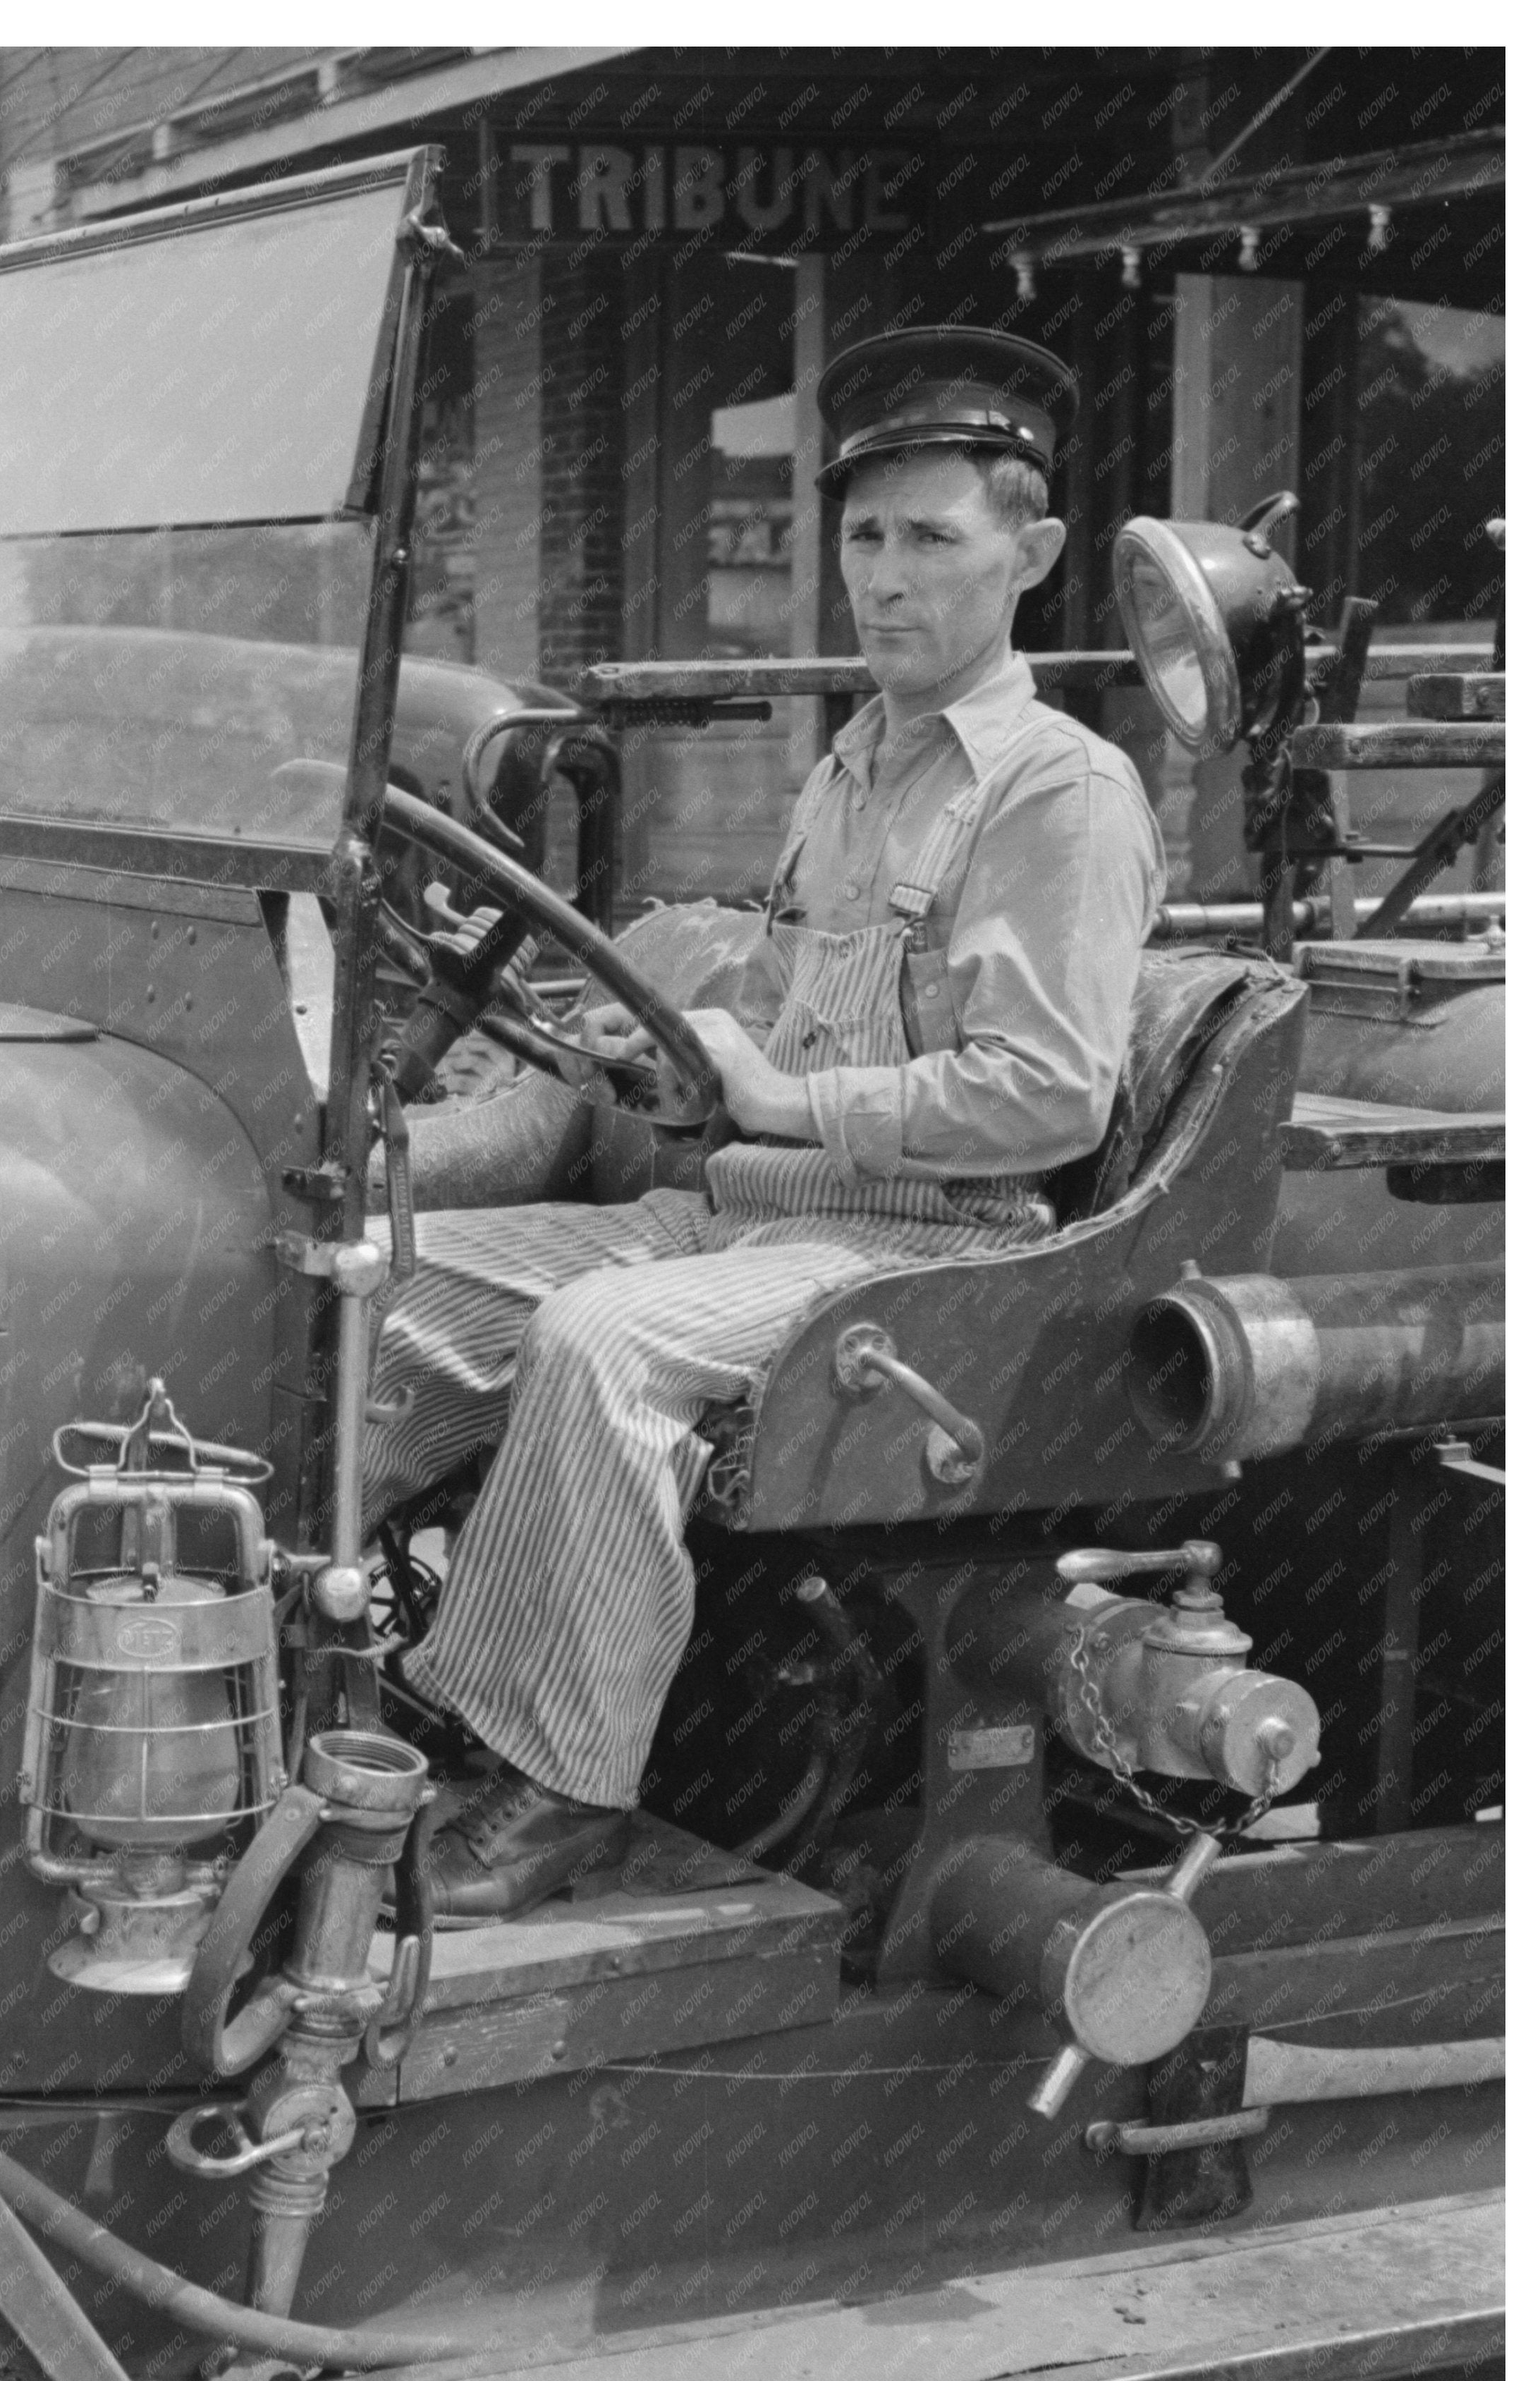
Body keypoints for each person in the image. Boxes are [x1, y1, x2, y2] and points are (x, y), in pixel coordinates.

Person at [365, 327, 1166, 1919]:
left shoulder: (1055, 794)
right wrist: (676, 1075)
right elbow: (792, 1036)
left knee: (606, 1339)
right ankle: (365, 1691)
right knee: (383, 1281)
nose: (882, 576)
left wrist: (780, 1093)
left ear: (1034, 552)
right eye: (862, 536)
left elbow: (1046, 1096)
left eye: (931, 537)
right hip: (760, 1209)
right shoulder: (848, 772)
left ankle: (555, 1787)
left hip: (936, 1250)